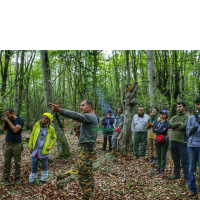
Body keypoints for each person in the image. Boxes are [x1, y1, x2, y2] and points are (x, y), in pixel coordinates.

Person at [49, 100, 98, 200]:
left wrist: (60, 110)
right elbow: (91, 132)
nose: (81, 107)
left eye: (83, 105)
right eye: (80, 105)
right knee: (88, 172)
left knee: (83, 173)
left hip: (87, 148)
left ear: (90, 107)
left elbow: (76, 115)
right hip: (88, 147)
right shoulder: (91, 117)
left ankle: (86, 196)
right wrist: (79, 132)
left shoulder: (90, 116)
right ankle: (91, 193)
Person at [29, 113, 57, 185]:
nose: (43, 119)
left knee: (44, 165)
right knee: (34, 164)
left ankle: (43, 180)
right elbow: (32, 136)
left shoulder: (51, 129)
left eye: (46, 118)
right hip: (36, 150)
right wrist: (30, 146)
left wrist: (50, 146)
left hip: (44, 151)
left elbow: (54, 138)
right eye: (43, 117)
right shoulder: (37, 125)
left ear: (49, 120)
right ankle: (32, 180)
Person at [1, 108, 24, 184]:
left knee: (17, 162)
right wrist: (5, 122)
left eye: (8, 115)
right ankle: (6, 178)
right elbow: (3, 129)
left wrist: (8, 121)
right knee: (7, 162)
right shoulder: (8, 119)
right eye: (6, 115)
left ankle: (17, 177)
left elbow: (15, 130)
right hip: (8, 144)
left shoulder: (20, 120)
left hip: (17, 144)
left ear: (13, 113)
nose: (7, 116)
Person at [169, 102, 189, 187]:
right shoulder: (174, 117)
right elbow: (169, 125)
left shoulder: (187, 117)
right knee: (175, 159)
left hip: (183, 142)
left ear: (184, 107)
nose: (178, 108)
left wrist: (175, 126)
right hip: (173, 141)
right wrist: (178, 124)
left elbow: (184, 127)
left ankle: (187, 178)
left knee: (184, 161)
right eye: (177, 107)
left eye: (180, 106)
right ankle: (176, 174)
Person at [186, 96, 200, 198]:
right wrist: (191, 130)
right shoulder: (192, 117)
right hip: (192, 145)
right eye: (197, 104)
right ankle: (192, 189)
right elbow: (187, 133)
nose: (199, 106)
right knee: (192, 168)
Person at [153, 110, 170, 175]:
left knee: (163, 155)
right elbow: (154, 130)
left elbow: (164, 131)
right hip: (157, 140)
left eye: (163, 114)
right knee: (158, 155)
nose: (162, 115)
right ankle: (158, 168)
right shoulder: (157, 122)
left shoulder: (167, 123)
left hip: (164, 140)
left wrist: (158, 130)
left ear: (166, 115)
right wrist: (159, 130)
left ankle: (162, 169)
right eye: (161, 114)